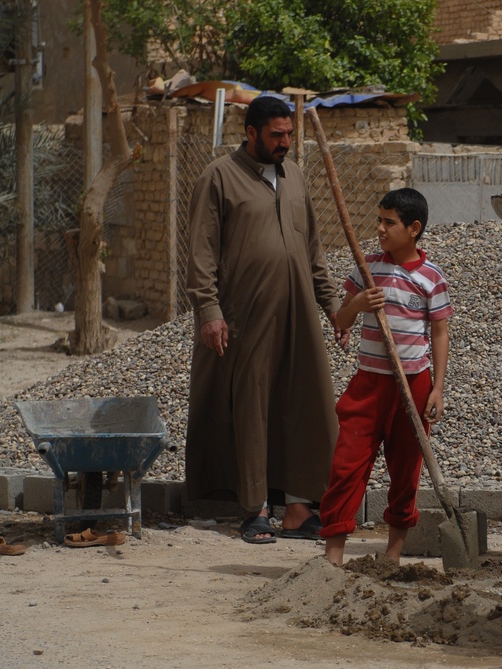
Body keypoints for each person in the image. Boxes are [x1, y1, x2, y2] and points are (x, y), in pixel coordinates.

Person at [185, 95, 341, 544]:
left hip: (299, 313)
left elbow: (312, 250)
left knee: (305, 405)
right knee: (251, 408)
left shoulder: (293, 176)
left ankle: (298, 509)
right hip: (245, 314)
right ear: (250, 133)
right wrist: (209, 312)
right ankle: (254, 511)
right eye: (277, 135)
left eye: (289, 134)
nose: (285, 143)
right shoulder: (219, 178)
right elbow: (200, 253)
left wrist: (332, 307)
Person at [319, 188, 452, 565]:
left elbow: (440, 332)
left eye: (388, 222)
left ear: (413, 229)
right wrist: (357, 304)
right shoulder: (367, 269)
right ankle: (333, 559)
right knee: (347, 465)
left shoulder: (431, 277)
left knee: (407, 469)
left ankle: (392, 556)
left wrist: (437, 389)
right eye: (378, 220)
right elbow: (341, 320)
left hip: (414, 385)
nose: (379, 228)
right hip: (368, 384)